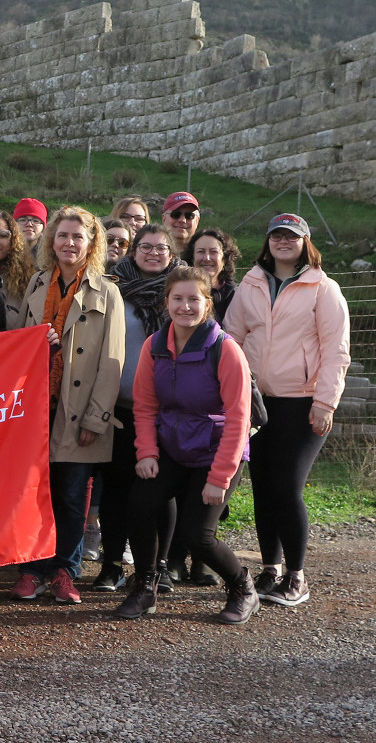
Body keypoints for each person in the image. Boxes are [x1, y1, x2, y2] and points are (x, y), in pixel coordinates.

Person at [114, 266, 258, 624]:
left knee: (198, 535)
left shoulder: (225, 350)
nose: (185, 306)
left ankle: (243, 588)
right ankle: (146, 586)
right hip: (173, 446)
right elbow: (145, 405)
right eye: (177, 299)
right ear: (167, 302)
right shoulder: (155, 346)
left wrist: (220, 478)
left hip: (217, 451)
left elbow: (239, 420)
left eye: (194, 299)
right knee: (141, 504)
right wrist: (146, 452)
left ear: (207, 304)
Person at [224, 214, 350, 608]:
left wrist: (325, 403)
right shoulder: (251, 283)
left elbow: (335, 351)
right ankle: (270, 568)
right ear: (267, 242)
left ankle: (296, 575)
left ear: (305, 243)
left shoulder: (323, 288)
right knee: (262, 487)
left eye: (291, 237)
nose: (283, 242)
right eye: (277, 235)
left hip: (303, 402)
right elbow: (232, 336)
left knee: (288, 487)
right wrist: (233, 391)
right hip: (258, 402)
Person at [10, 206, 124, 605]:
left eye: (78, 236)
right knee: (32, 494)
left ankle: (64, 571)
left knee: (73, 498)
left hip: (78, 413)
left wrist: (97, 416)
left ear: (92, 243)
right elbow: (17, 345)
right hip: (36, 409)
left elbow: (113, 363)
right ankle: (32, 568)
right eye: (62, 236)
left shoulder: (108, 292)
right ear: (50, 240)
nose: (69, 243)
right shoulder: (38, 283)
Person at [96, 223, 184, 593]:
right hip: (119, 406)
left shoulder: (180, 293)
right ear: (132, 251)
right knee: (116, 488)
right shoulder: (113, 288)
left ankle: (159, 565)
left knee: (160, 489)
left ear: (171, 253)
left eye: (161, 248)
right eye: (144, 246)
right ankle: (112, 564)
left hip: (166, 411)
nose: (152, 253)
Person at [185, 228, 242, 323]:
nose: (207, 258)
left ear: (224, 259)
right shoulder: (181, 292)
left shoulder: (237, 295)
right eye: (201, 251)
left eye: (213, 252)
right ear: (192, 258)